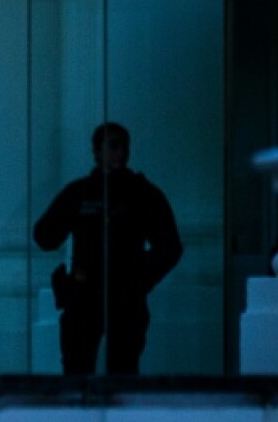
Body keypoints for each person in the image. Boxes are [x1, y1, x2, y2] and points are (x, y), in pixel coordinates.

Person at [33, 122, 183, 375]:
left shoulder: (140, 194)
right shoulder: (82, 193)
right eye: (113, 146)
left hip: (123, 298)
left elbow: (170, 247)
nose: (121, 153)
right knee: (79, 373)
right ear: (96, 151)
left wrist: (139, 279)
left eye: (124, 146)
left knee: (121, 372)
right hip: (86, 296)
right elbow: (45, 237)